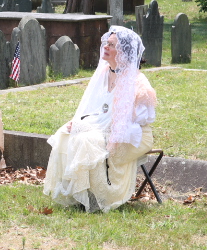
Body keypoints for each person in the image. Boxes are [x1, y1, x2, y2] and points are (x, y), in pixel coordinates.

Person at [43, 26, 157, 212]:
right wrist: (80, 123)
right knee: (66, 133)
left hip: (133, 135)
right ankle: (78, 195)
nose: (106, 47)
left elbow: (139, 121)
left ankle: (100, 198)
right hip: (103, 128)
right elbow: (93, 107)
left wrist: (100, 130)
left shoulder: (138, 82)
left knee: (87, 141)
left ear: (123, 51)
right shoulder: (104, 72)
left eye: (112, 45)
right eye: (106, 43)